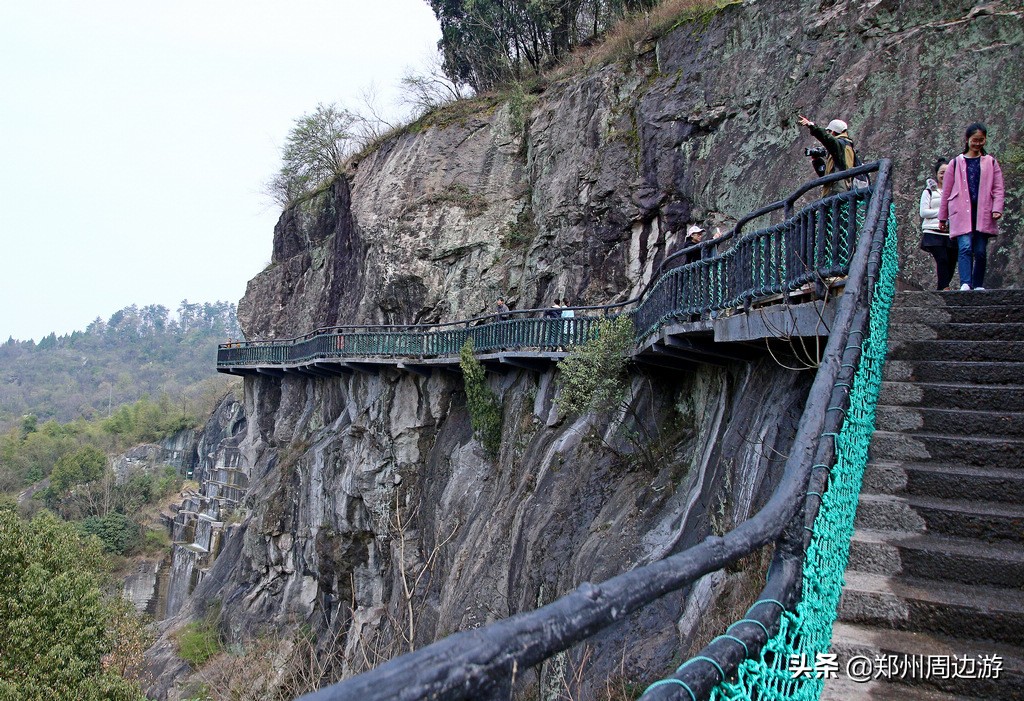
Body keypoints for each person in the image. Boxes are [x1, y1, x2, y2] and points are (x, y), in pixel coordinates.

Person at [939, 123, 1005, 291]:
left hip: (982, 212)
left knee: (981, 251)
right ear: (967, 140)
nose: (977, 143)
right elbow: (946, 191)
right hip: (961, 212)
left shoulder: (990, 162)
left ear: (985, 140)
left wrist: (997, 208)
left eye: (981, 140)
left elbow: (998, 187)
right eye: (974, 140)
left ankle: (978, 284)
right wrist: (943, 217)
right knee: (965, 247)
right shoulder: (955, 163)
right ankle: (965, 283)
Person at [797, 115, 859, 196]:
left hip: (837, 190)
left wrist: (811, 125)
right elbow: (826, 175)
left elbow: (826, 138)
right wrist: (817, 161)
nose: (828, 133)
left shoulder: (840, 145)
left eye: (829, 131)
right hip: (841, 188)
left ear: (833, 132)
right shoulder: (846, 146)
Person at [920, 158, 956, 290]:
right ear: (936, 174)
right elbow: (923, 212)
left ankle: (942, 288)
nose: (944, 175)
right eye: (941, 172)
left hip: (951, 232)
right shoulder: (929, 191)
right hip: (932, 231)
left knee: (951, 262)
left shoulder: (955, 191)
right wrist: (943, 211)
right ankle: (944, 288)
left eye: (947, 172)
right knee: (942, 259)